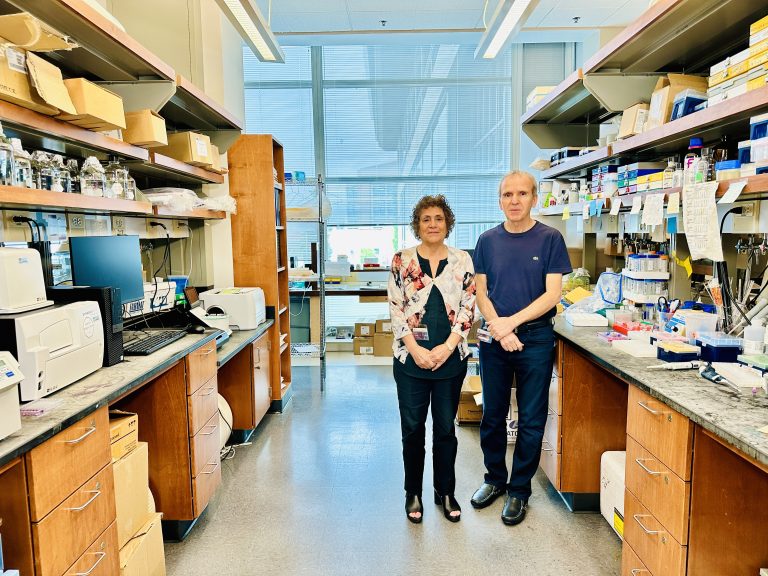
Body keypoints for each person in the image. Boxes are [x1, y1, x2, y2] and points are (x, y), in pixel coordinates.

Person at [470, 171, 572, 526]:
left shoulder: (550, 239)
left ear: (534, 198)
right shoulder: (486, 241)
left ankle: (519, 491)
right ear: (499, 199)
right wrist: (500, 329)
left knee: (531, 419)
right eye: (507, 194)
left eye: (522, 194)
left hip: (535, 339)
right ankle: (495, 480)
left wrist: (509, 324)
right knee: (493, 415)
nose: (514, 200)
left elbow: (552, 295)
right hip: (496, 338)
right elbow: (481, 293)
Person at [388, 194, 476, 524]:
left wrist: (448, 346)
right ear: (417, 225)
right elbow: (396, 308)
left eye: (438, 218)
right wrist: (415, 349)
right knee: (412, 429)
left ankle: (445, 491)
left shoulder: (462, 260)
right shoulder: (401, 260)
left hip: (450, 361)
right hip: (411, 362)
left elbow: (469, 306)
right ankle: (413, 492)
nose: (433, 224)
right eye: (426, 219)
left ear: (447, 223)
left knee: (445, 430)